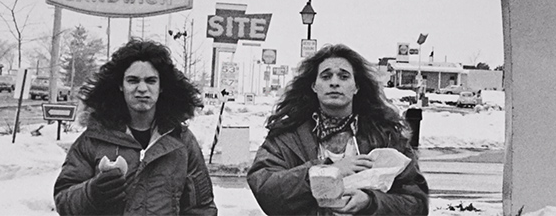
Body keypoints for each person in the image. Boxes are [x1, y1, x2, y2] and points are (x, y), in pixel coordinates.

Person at [247, 44, 429, 215]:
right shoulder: (288, 137)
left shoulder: (384, 136)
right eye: (326, 76)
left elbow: (417, 203)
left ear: (356, 86)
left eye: (344, 76)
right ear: (314, 86)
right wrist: (324, 172)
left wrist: (370, 202)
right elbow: (265, 189)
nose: (334, 83)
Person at [54, 39, 217, 216]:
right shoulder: (94, 139)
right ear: (120, 86)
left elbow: (201, 209)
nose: (142, 88)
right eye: (132, 80)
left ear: (161, 87)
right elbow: (63, 201)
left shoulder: (182, 142)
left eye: (151, 81)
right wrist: (91, 193)